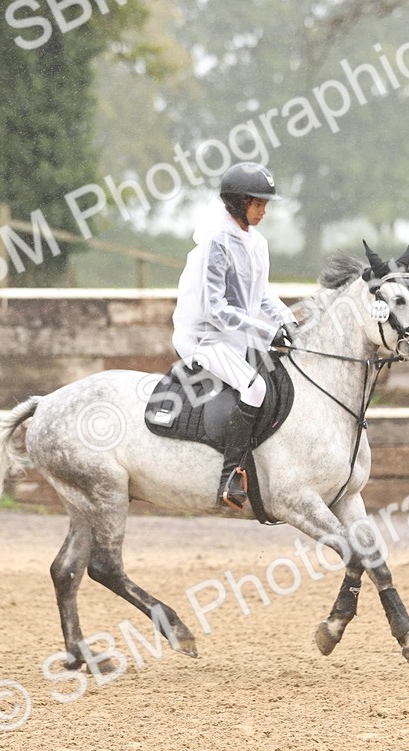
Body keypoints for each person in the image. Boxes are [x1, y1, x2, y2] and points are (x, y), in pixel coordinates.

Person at [172, 162, 298, 510]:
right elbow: (217, 310)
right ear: (237, 203)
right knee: (255, 387)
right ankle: (231, 475)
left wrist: (289, 322)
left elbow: (262, 295)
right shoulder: (216, 243)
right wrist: (269, 330)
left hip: (238, 336)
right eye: (257, 203)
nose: (264, 210)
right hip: (204, 338)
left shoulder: (258, 243)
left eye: (265, 204)